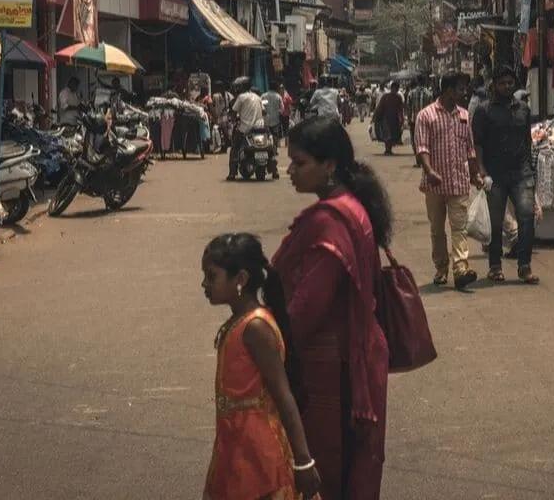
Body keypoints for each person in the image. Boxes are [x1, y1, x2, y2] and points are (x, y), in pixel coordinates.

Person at [272, 117, 390, 500]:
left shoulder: (328, 220)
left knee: (328, 472)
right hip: (355, 356)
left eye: (299, 162)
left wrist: (267, 342)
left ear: (330, 165)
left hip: (332, 369)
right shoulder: (351, 206)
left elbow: (306, 309)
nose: (289, 170)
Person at [200, 233, 321, 500]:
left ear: (240, 280)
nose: (204, 284)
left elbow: (283, 395)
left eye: (212, 276)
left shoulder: (255, 328)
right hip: (234, 444)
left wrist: (303, 461)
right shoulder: (238, 321)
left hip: (259, 451)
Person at [471, 66, 539, 284]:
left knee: (527, 217)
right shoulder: (484, 111)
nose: (507, 86)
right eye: (502, 83)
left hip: (522, 172)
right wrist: (481, 170)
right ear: (494, 85)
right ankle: (495, 266)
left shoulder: (524, 110)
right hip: (495, 174)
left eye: (510, 83)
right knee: (496, 222)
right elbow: (477, 144)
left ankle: (524, 265)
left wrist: (531, 169)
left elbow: (528, 142)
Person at [415, 71, 480, 289]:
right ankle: (441, 268)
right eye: (460, 89)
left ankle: (460, 269)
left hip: (459, 182)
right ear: (448, 90)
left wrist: (475, 174)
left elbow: (470, 148)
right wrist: (429, 169)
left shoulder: (463, 115)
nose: (464, 93)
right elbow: (422, 147)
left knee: (459, 227)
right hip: (434, 184)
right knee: (437, 229)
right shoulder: (426, 115)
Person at [227, 77, 265, 181]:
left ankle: (232, 173)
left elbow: (233, 112)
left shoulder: (241, 97)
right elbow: (264, 111)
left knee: (234, 148)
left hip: (245, 128)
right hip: (259, 128)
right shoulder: (257, 97)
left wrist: (233, 119)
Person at [373, 81, 404, 156]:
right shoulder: (387, 96)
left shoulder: (397, 97)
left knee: (391, 134)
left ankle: (388, 149)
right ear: (393, 88)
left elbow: (400, 109)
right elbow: (380, 107)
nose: (395, 90)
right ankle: (388, 149)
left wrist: (401, 118)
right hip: (386, 118)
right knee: (388, 134)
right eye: (395, 88)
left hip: (392, 118)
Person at [405, 77, 432, 153]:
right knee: (425, 137)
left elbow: (408, 107)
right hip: (426, 119)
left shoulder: (411, 93)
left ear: (417, 82)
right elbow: (431, 108)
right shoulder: (429, 93)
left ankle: (417, 155)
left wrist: (409, 119)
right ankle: (423, 153)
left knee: (415, 138)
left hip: (414, 119)